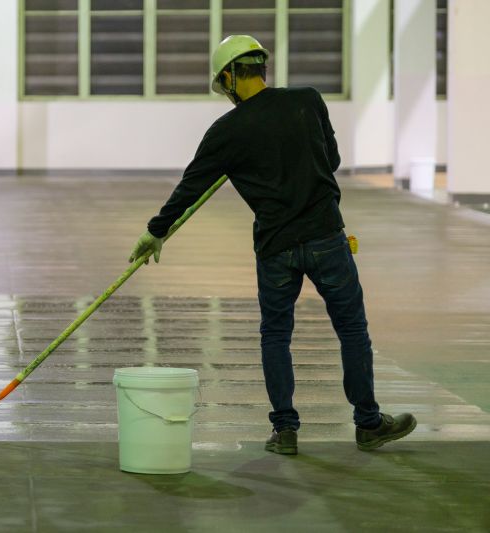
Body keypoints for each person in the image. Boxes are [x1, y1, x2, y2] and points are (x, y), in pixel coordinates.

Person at [128, 35, 416, 455]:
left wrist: (156, 231)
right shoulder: (308, 100)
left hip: (275, 248)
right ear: (260, 67)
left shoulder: (226, 132)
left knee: (276, 336)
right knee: (352, 330)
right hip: (325, 238)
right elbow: (330, 161)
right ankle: (368, 423)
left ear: (228, 77)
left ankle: (285, 431)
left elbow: (189, 187)